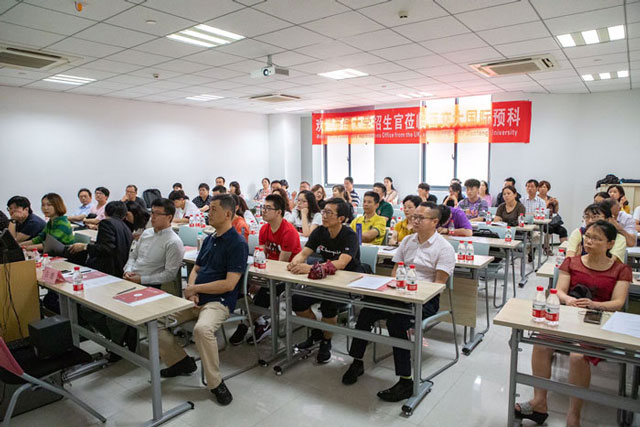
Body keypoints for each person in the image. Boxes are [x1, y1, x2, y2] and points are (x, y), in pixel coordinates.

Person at [515, 220, 631, 427]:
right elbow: (559, 291)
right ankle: (539, 403)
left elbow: (618, 302)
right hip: (569, 318)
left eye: (596, 239)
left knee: (578, 356)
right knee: (541, 344)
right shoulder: (572, 262)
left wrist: (595, 305)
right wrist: (568, 299)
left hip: (598, 322)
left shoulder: (621, 269)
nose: (589, 241)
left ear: (610, 244)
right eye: (588, 237)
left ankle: (573, 415)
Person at [342, 201, 455, 401]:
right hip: (399, 293)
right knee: (366, 312)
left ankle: (405, 381)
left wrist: (410, 293)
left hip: (425, 300)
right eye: (414, 216)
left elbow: (438, 285)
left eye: (420, 218)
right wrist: (395, 290)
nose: (415, 220)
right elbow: (395, 271)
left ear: (434, 222)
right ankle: (357, 362)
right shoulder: (408, 241)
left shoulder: (444, 248)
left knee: (397, 323)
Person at [159, 194, 248, 406]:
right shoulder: (209, 239)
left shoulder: (237, 243)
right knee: (154, 321)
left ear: (227, 214)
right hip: (196, 298)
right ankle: (181, 362)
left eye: (214, 209)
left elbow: (229, 284)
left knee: (202, 330)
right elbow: (196, 269)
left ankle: (215, 383)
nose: (209, 213)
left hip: (219, 301)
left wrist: (195, 288)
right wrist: (191, 291)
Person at [287, 198, 363, 363]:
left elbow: (341, 263)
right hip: (324, 278)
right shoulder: (320, 231)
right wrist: (295, 262)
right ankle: (317, 333)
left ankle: (326, 342)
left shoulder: (350, 235)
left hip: (347, 280)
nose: (324, 215)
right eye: (323, 211)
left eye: (329, 212)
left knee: (329, 303)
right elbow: (304, 253)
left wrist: (311, 268)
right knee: (297, 300)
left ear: (341, 218)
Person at [230, 193, 302, 345]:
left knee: (264, 291)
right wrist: (257, 277)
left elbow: (281, 264)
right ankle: (260, 321)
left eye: (268, 208)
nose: (264, 211)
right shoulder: (264, 229)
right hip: (268, 270)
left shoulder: (289, 231)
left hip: (287, 274)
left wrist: (261, 280)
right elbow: (261, 255)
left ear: (279, 212)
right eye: (263, 207)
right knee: (242, 284)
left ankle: (246, 324)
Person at [123, 198, 184, 288]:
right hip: (131, 278)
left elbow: (170, 274)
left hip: (150, 285)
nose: (153, 217)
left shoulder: (173, 242)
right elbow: (133, 256)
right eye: (152, 212)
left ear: (169, 217)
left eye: (158, 214)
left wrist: (141, 279)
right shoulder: (146, 233)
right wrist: (128, 270)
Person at [69, 201, 133, 277]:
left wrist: (84, 246)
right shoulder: (126, 228)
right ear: (124, 215)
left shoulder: (106, 223)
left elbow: (106, 248)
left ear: (105, 212)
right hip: (120, 269)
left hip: (106, 269)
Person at [538, 180, 568, 255]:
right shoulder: (536, 199)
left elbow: (555, 211)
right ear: (538, 188)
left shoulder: (550, 198)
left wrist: (557, 204)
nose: (543, 189)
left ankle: (565, 251)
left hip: (551, 221)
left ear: (548, 189)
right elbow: (540, 211)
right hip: (541, 221)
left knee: (563, 230)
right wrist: (547, 203)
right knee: (550, 229)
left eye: (545, 187)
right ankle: (546, 247)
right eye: (541, 187)